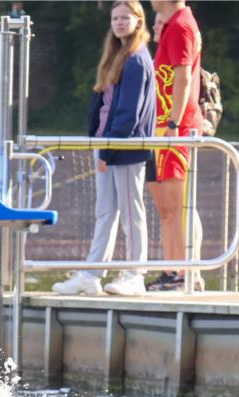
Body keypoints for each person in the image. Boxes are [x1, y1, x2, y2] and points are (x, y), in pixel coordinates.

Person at [53, 0, 155, 297]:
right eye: (116, 18)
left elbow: (128, 113)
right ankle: (91, 273)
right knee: (105, 213)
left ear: (139, 21)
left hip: (124, 149)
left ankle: (135, 274)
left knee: (130, 212)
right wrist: (98, 145)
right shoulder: (116, 55)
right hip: (106, 145)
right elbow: (104, 106)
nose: (120, 23)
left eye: (126, 18)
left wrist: (108, 151)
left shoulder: (136, 59)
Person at [146, 0, 205, 292]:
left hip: (172, 131)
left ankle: (182, 273)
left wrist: (172, 125)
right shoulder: (173, 25)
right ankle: (173, 271)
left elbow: (182, 78)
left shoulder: (181, 25)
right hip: (164, 129)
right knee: (168, 210)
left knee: (176, 207)